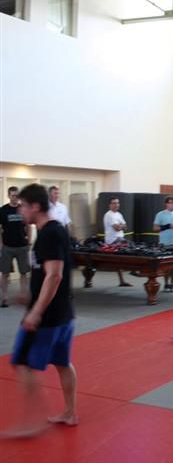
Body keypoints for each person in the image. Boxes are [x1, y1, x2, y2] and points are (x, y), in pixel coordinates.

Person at [8, 184, 76, 436]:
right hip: (63, 313)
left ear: (35, 206)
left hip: (47, 317)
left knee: (23, 363)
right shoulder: (54, 231)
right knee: (62, 363)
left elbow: (54, 276)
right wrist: (29, 295)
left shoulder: (49, 234)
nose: (20, 211)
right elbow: (47, 273)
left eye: (23, 206)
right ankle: (69, 413)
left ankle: (31, 422)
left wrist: (36, 311)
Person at [0, 186, 30, 308]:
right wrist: (1, 244)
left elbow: (28, 225)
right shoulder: (3, 210)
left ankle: (23, 296)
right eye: (13, 195)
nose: (15, 197)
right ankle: (5, 298)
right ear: (8, 196)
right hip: (7, 247)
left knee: (24, 273)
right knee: (5, 273)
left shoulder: (23, 209)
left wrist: (29, 241)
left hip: (22, 246)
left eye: (17, 195)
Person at [103, 197, 132, 287]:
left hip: (119, 238)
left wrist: (121, 226)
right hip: (112, 240)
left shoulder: (119, 214)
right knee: (131, 248)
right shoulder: (109, 215)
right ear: (109, 205)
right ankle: (134, 269)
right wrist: (121, 226)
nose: (116, 205)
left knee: (120, 260)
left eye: (117, 203)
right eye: (114, 203)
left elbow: (126, 226)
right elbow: (117, 228)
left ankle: (122, 281)